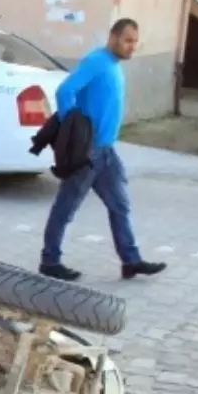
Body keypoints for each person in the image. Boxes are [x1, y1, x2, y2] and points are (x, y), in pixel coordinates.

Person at [38, 18, 166, 283]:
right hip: (88, 153)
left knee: (120, 206)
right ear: (114, 37)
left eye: (135, 42)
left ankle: (131, 261)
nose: (132, 47)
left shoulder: (114, 65)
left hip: (107, 152)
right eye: (128, 40)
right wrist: (71, 125)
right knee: (66, 208)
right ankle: (50, 261)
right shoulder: (96, 61)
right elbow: (65, 91)